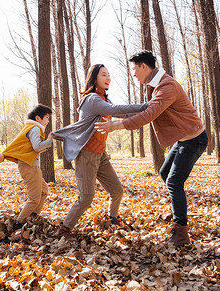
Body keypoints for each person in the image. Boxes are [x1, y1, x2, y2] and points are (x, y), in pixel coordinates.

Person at [95, 51, 208, 247]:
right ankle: (177, 213)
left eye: (134, 69)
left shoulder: (167, 86)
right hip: (183, 140)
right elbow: (145, 108)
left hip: (194, 139)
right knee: (165, 173)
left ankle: (181, 233)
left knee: (174, 180)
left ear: (144, 67)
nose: (133, 74)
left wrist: (116, 125)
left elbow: (148, 115)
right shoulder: (154, 86)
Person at [52, 64, 148, 242]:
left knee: (117, 190)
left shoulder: (103, 99)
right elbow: (114, 110)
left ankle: (112, 219)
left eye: (109, 74)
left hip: (101, 155)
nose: (108, 77)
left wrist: (148, 112)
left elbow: (122, 115)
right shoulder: (92, 99)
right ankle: (64, 229)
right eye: (104, 74)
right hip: (87, 154)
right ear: (94, 78)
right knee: (86, 198)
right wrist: (145, 106)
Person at [2, 104, 53, 231]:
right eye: (46, 118)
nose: (47, 121)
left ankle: (33, 217)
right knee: (34, 198)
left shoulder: (32, 127)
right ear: (38, 118)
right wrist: (49, 141)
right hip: (29, 167)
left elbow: (32, 149)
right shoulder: (35, 128)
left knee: (44, 191)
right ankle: (19, 224)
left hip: (31, 166)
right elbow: (37, 146)